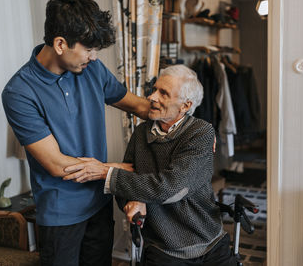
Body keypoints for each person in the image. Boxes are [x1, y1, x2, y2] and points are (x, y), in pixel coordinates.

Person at [1, 0, 149, 265]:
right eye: (90, 49)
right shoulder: (19, 92)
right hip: (60, 216)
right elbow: (57, 165)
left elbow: (139, 105)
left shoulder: (92, 70)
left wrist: (191, 128)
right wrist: (122, 170)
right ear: (60, 44)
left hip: (99, 205)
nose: (94, 57)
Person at [63, 65, 237, 266]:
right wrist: (133, 199)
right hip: (163, 247)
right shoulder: (140, 134)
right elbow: (126, 183)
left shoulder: (200, 133)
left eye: (163, 93)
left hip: (208, 242)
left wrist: (105, 172)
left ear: (185, 105)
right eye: (154, 89)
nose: (152, 97)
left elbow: (170, 187)